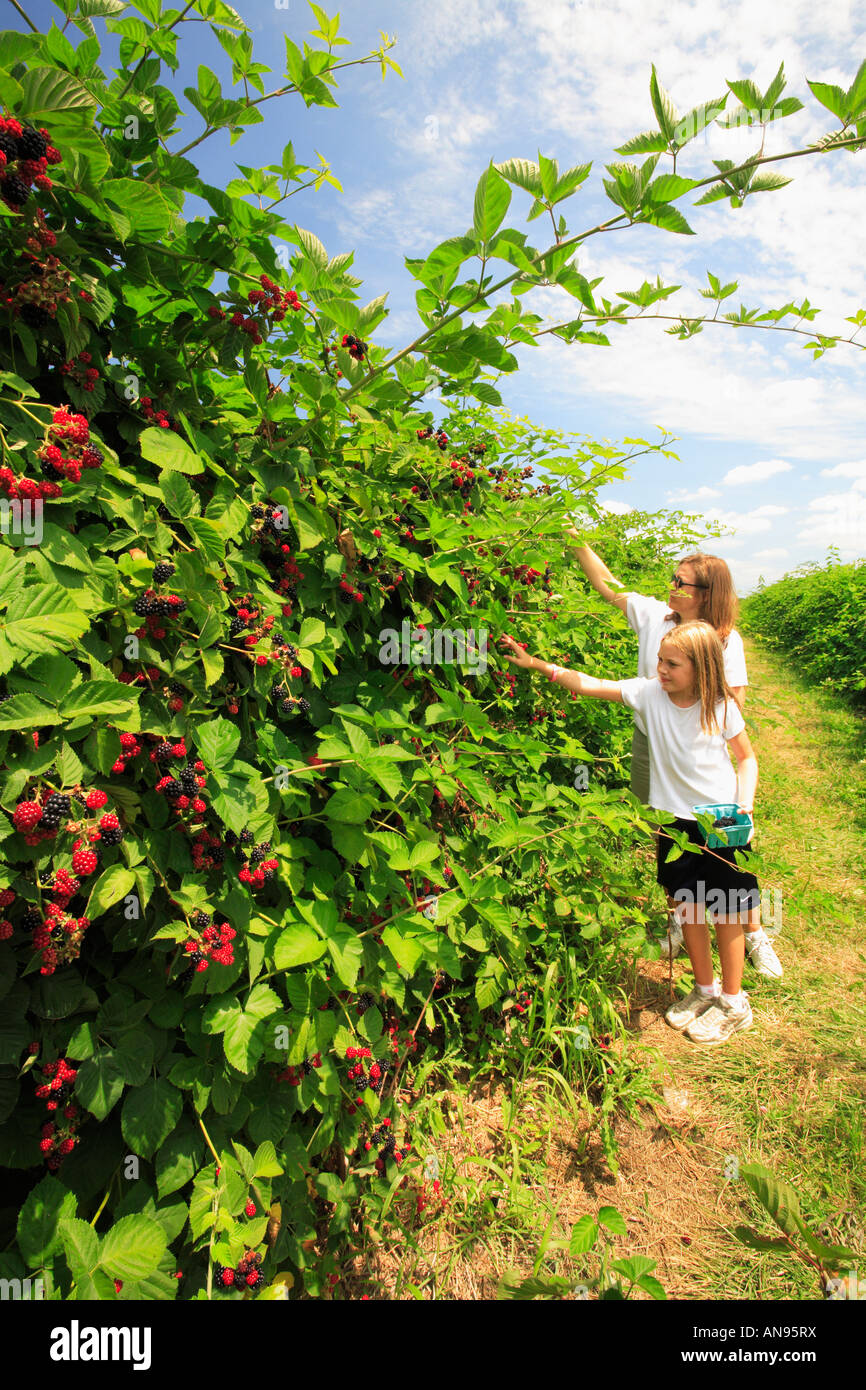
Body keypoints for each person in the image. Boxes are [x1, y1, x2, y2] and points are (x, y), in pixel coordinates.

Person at [498, 620, 764, 1046]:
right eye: (659, 659)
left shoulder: (721, 706)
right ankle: (705, 989)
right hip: (674, 824)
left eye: (672, 663)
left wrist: (744, 804)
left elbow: (746, 759)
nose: (660, 669)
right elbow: (588, 684)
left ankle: (734, 1003)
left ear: (701, 668)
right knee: (690, 905)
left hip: (720, 821)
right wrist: (537, 665)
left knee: (728, 909)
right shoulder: (648, 695)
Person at [564, 536, 781, 981]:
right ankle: (683, 918)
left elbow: (731, 706)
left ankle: (755, 932)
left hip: (702, 760)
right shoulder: (651, 616)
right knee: (669, 836)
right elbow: (608, 586)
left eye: (681, 582)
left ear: (705, 594)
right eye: (672, 577)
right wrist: (578, 542)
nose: (672, 586)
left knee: (727, 855)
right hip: (652, 746)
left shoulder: (725, 641)